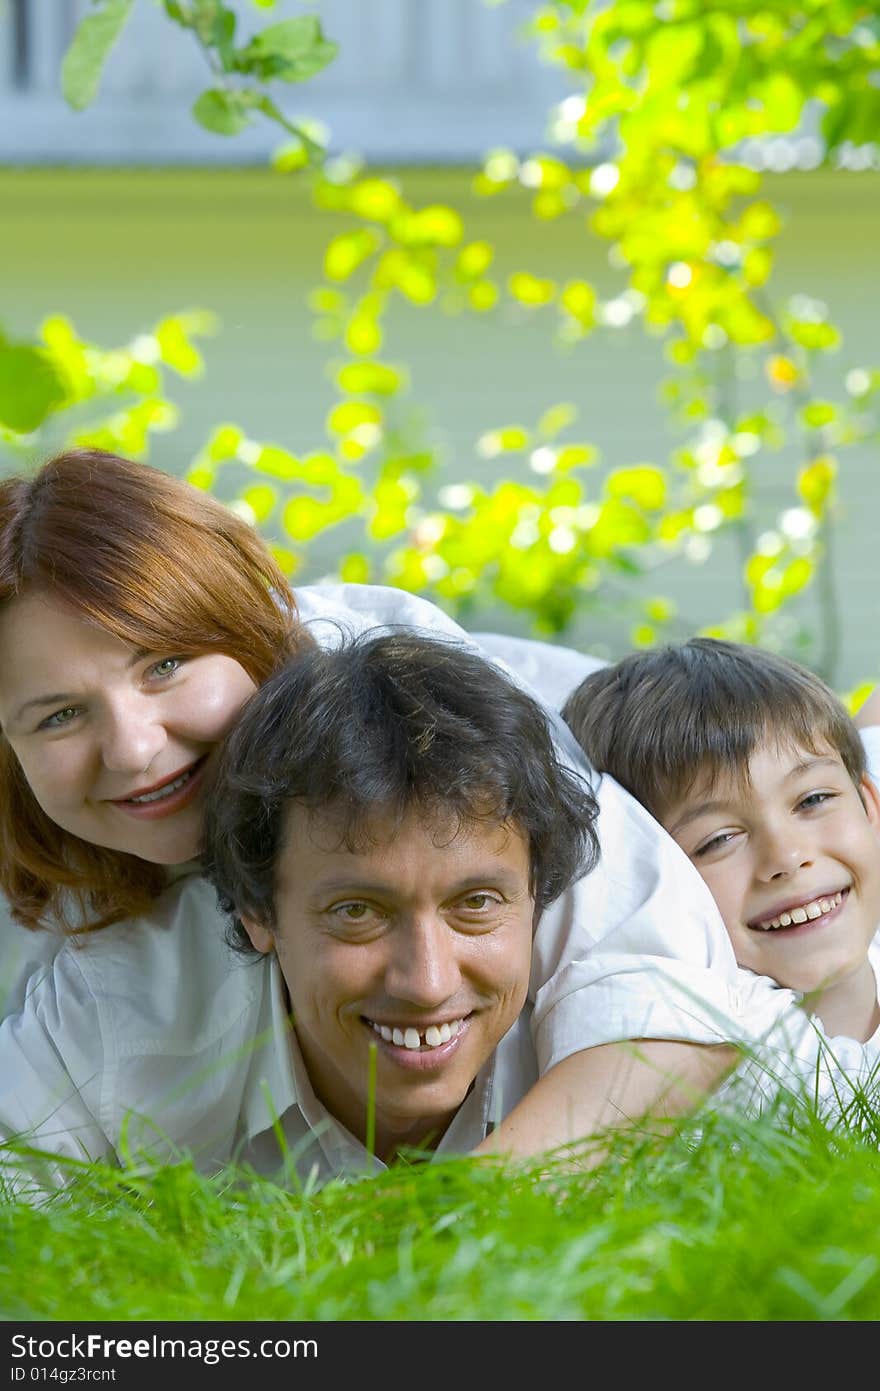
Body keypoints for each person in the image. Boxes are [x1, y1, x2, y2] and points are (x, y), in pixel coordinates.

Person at [0, 446, 749, 1164]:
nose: (131, 748)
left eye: (165, 665)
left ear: (251, 627)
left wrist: (451, 1230)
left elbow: (661, 996)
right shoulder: (62, 869)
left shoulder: (398, 684)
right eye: (58, 715)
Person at [0, 631, 603, 1195]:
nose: (428, 982)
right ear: (257, 911)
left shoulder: (617, 1040)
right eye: (357, 912)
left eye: (475, 905)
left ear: (536, 899)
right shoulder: (113, 1016)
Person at [561, 638, 880, 1121]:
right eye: (718, 840)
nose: (788, 857)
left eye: (812, 800)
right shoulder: (706, 1058)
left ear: (869, 805)